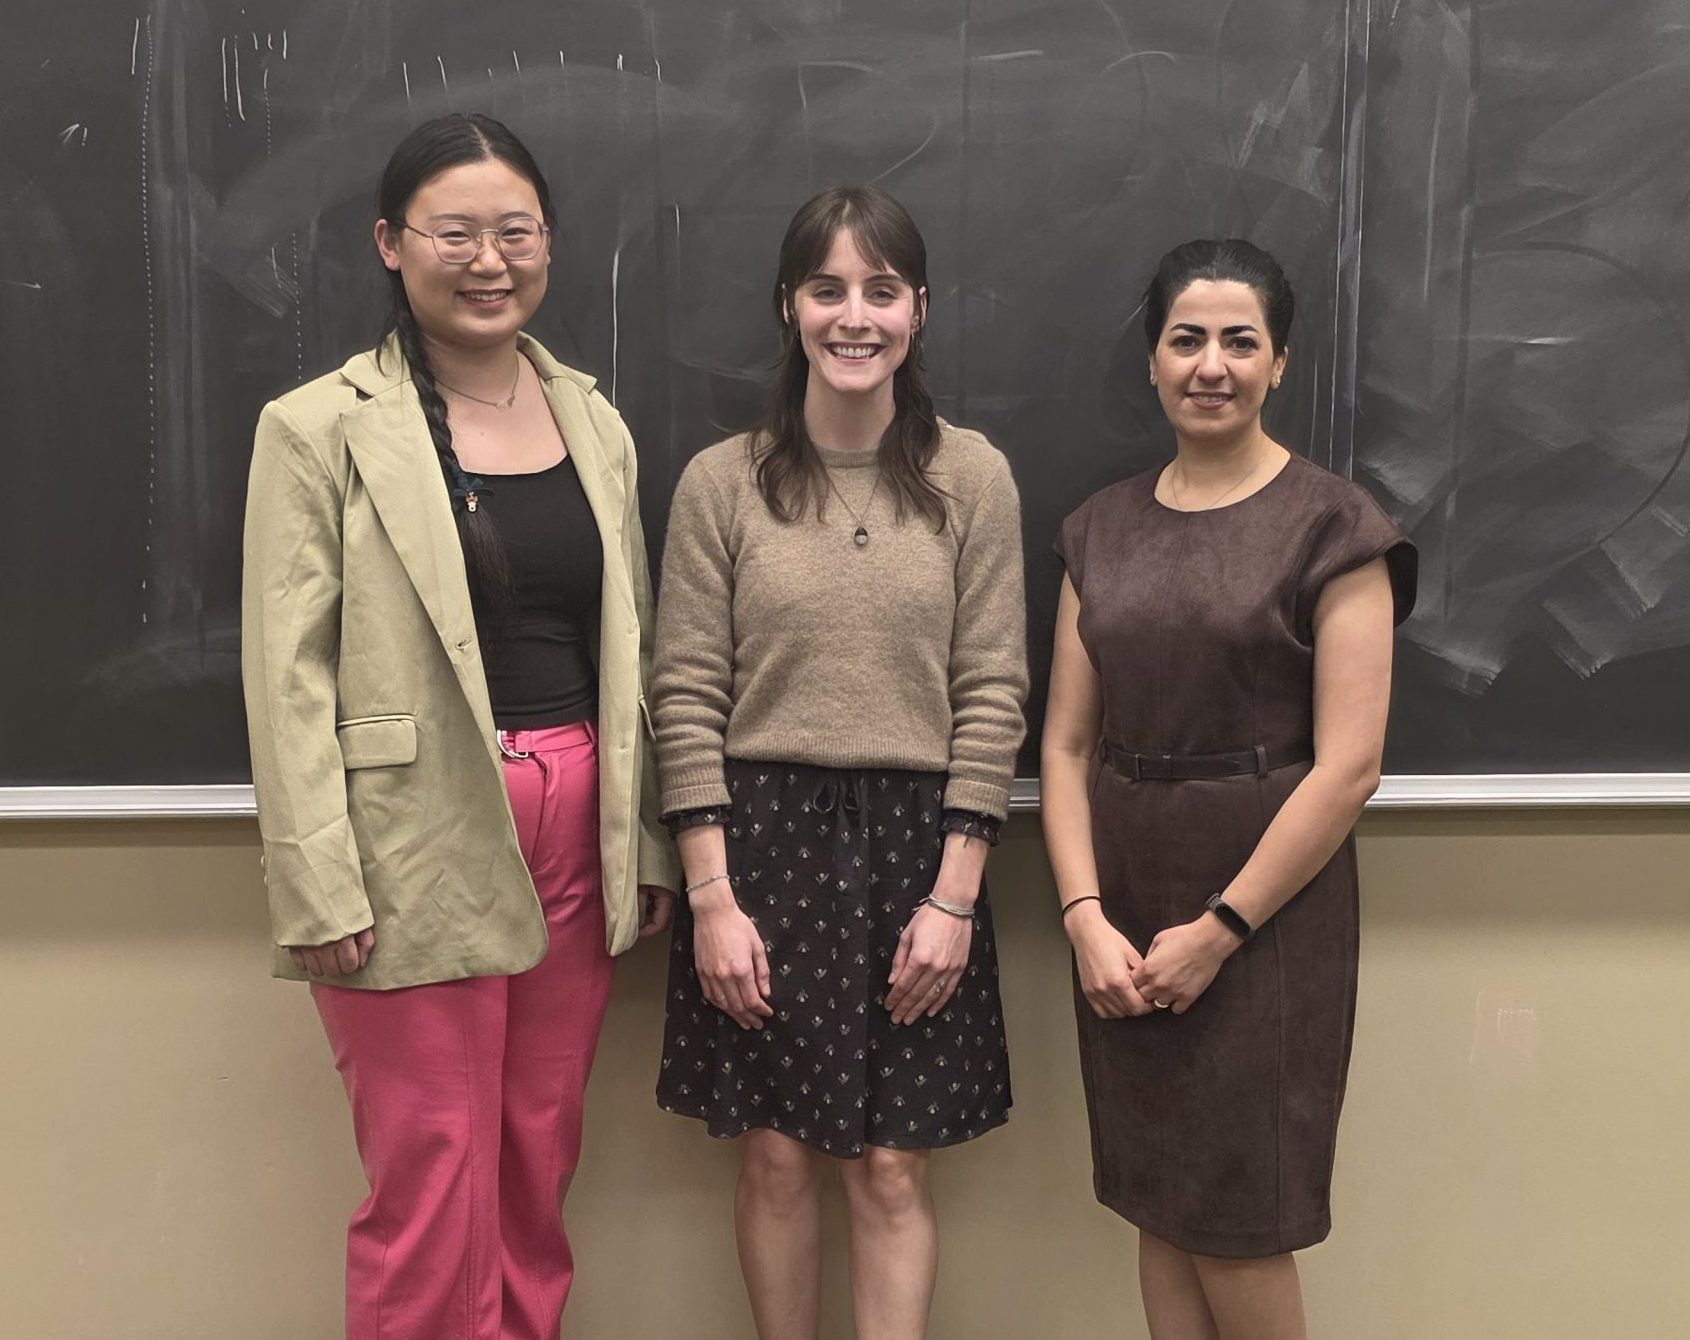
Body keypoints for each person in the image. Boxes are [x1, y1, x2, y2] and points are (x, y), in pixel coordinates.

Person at [240, 112, 678, 1340]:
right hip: (410, 834)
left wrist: (638, 837)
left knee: (536, 1162)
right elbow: (287, 681)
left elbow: (630, 644)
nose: (490, 259)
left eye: (516, 231)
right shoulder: (318, 426)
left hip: (576, 830)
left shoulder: (593, 417)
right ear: (391, 243)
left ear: (547, 243)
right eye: (454, 232)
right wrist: (315, 881)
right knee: (433, 1174)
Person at [650, 184, 1027, 1340]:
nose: (852, 315)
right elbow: (686, 694)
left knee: (890, 1168)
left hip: (924, 848)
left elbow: (994, 691)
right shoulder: (723, 481)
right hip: (756, 841)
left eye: (879, 289)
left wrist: (954, 898)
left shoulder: (975, 479)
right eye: (827, 289)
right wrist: (709, 894)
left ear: (919, 307)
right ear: (788, 306)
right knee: (772, 1158)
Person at [1041, 239, 1416, 1340]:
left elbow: (1349, 764)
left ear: (1279, 361)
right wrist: (1082, 919)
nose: (1211, 363)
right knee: (1160, 1203)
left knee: (1239, 1217)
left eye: (1238, 341)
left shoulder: (1334, 524)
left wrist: (1220, 927)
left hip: (1267, 916)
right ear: (1153, 361)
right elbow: (1063, 746)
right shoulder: (1095, 528)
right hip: (1120, 901)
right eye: (1186, 338)